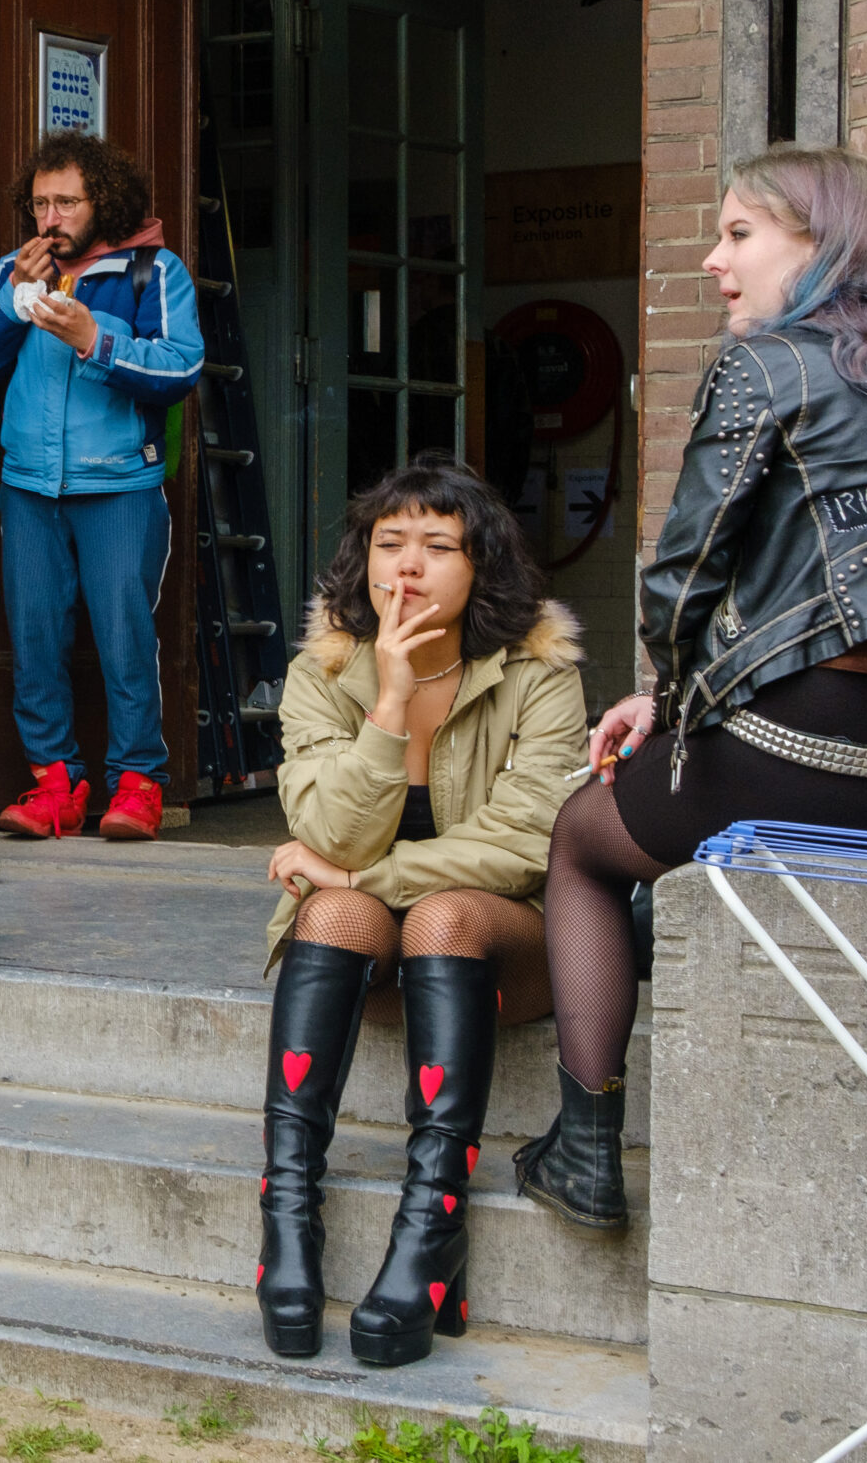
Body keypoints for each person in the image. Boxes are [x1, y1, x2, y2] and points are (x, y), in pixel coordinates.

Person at [517, 146, 867, 1235]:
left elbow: (681, 578)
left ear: (822, 244)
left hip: (804, 753)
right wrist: (674, 703)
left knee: (580, 839)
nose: (712, 260)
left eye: (739, 234)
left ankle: (584, 1149)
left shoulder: (766, 365)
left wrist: (667, 699)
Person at [256, 457, 587, 1367]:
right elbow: (328, 826)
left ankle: (432, 1224)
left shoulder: (538, 671)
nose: (406, 565)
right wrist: (392, 700)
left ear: (483, 566)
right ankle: (287, 1219)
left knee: (437, 914)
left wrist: (361, 877)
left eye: (438, 546)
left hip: (498, 952)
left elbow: (526, 841)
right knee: (331, 917)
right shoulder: (325, 670)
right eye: (388, 542)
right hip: (371, 967)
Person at [0, 132, 204, 841]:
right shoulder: (17, 269)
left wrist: (96, 339)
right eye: (39, 204)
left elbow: (182, 367)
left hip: (119, 484)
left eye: (66, 203)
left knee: (125, 637)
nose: (50, 219)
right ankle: (54, 784)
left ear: (104, 201)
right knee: (34, 638)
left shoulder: (153, 271)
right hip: (29, 485)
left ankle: (138, 784)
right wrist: (12, 299)